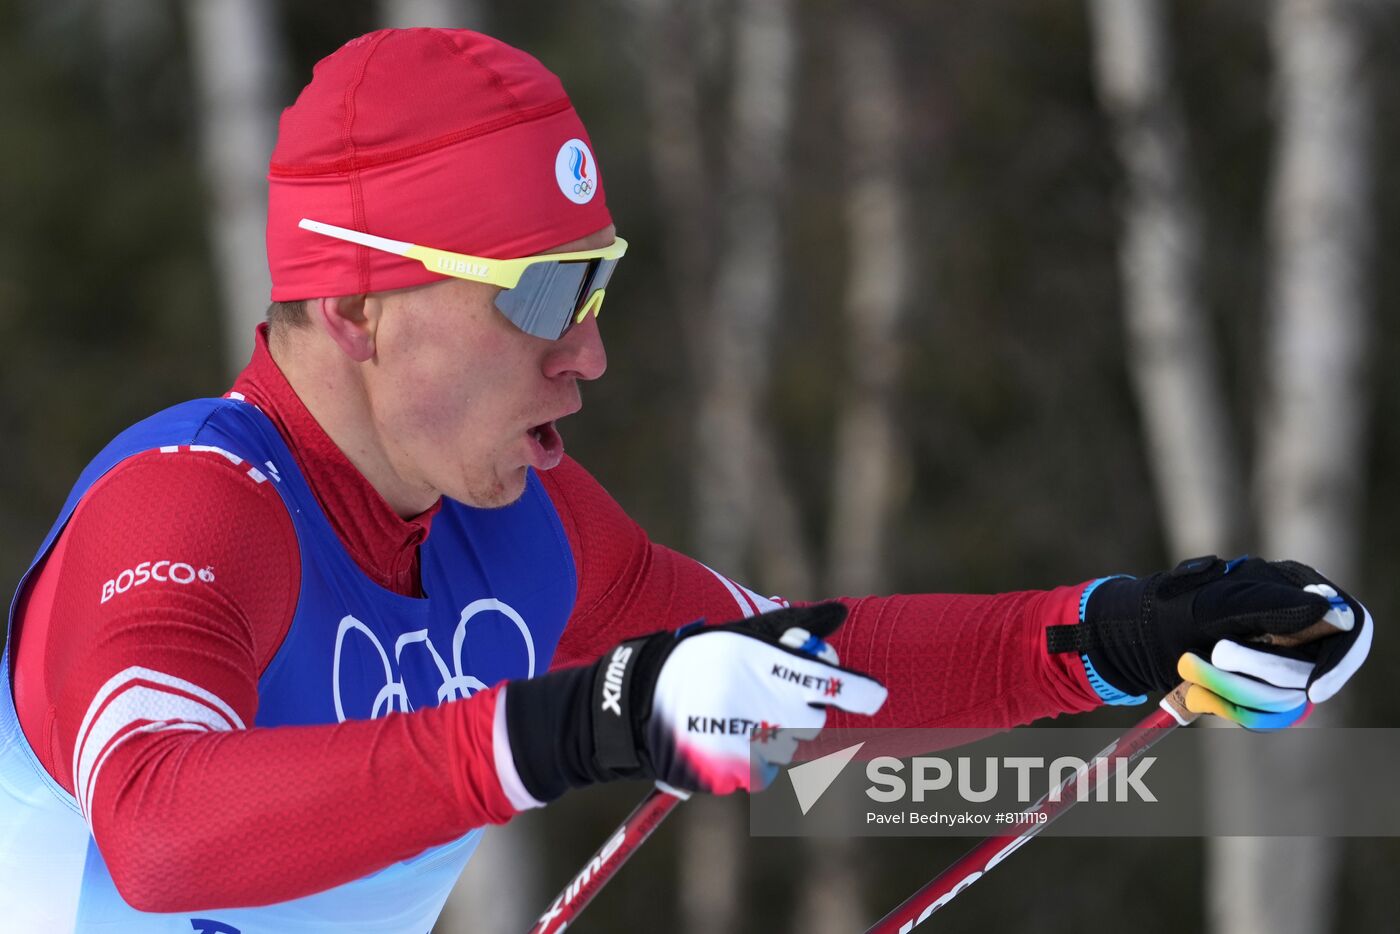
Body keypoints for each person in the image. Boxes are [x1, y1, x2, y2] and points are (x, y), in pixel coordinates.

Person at [0, 28, 1373, 933]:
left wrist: (1122, 637)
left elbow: (806, 672)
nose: (589, 351)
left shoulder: (520, 529)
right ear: (362, 306)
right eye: (543, 291)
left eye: (597, 280)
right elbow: (156, 830)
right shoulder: (191, 505)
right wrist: (572, 724)